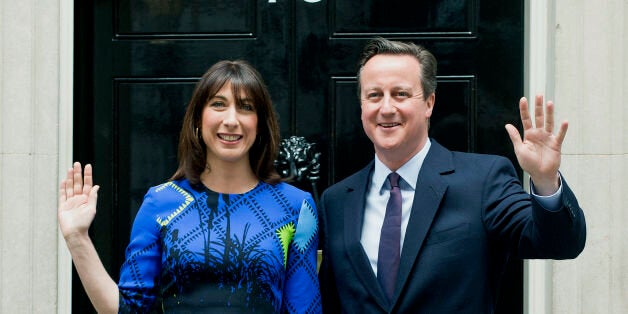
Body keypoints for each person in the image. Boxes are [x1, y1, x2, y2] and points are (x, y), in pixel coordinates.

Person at [318, 37, 586, 313]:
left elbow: (560, 244)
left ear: (429, 103)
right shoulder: (336, 201)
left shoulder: (483, 180)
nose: (386, 108)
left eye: (401, 94)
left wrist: (545, 181)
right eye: (374, 95)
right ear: (362, 106)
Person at [58, 60, 322, 313]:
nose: (231, 119)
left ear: (260, 124)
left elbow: (304, 309)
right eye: (218, 104)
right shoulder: (160, 202)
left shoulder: (296, 207)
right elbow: (128, 309)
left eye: (246, 107)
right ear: (198, 119)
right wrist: (77, 239)